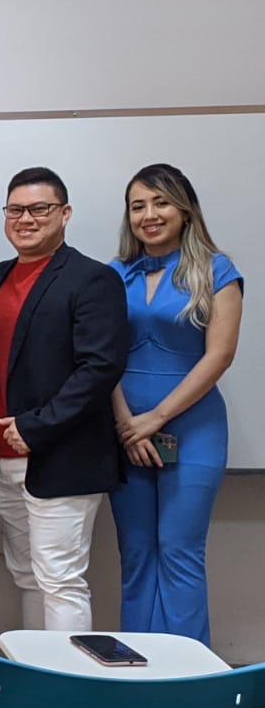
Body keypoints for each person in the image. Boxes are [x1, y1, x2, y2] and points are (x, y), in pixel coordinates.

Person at [0, 167, 128, 633]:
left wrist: (37, 426)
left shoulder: (92, 279)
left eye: (39, 209)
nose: (26, 218)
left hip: (62, 454)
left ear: (64, 214)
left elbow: (100, 368)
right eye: (15, 209)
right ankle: (39, 685)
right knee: (27, 576)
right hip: (1, 456)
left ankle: (70, 697)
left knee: (61, 580)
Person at [108, 163, 242, 643]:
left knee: (179, 550)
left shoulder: (217, 269)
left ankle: (187, 684)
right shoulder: (112, 274)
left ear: (184, 210)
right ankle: (136, 677)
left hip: (194, 428)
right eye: (138, 205)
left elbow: (220, 354)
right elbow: (99, 358)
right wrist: (128, 425)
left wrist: (156, 419)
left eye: (160, 202)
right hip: (125, 432)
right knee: (137, 553)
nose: (149, 214)